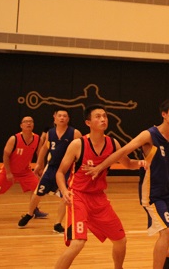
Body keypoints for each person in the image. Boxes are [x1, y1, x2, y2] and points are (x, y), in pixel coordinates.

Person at [85, 99, 169, 269]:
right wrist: (100, 167)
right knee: (167, 231)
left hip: (168, 190)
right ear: (164, 114)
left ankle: (168, 259)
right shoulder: (149, 135)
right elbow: (123, 151)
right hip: (152, 193)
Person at [54, 104, 144, 269]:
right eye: (98, 116)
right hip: (78, 196)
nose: (103, 119)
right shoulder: (78, 144)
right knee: (78, 243)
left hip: (99, 198)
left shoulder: (112, 143)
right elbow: (60, 172)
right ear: (88, 122)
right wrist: (64, 191)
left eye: (104, 116)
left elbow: (128, 163)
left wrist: (142, 163)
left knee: (121, 240)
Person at [18, 109, 82, 232]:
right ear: (55, 118)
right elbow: (44, 148)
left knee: (66, 196)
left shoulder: (75, 133)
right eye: (60, 116)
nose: (62, 118)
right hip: (51, 168)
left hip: (66, 169)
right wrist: (39, 164)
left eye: (65, 116)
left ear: (68, 119)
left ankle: (58, 223)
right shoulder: (50, 133)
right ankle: (30, 214)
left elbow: (82, 150)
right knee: (38, 192)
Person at [0, 116, 48, 221]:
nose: (28, 123)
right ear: (21, 125)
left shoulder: (37, 139)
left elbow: (40, 155)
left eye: (31, 121)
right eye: (26, 122)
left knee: (37, 189)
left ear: (33, 125)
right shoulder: (14, 139)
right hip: (9, 170)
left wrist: (40, 168)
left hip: (25, 171)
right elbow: (5, 155)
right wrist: (8, 172)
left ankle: (34, 210)